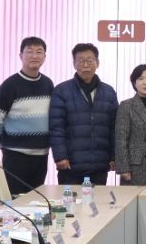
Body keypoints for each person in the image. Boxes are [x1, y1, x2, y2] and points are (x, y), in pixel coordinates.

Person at [0, 37, 54, 195]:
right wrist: (2, 142)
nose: (34, 56)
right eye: (29, 52)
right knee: (16, 201)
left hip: (41, 155)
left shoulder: (48, 84)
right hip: (16, 156)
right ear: (20, 56)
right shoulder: (9, 85)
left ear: (44, 57)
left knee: (36, 201)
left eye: (39, 52)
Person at [49, 43, 118, 185]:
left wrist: (114, 156)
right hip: (70, 165)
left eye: (90, 60)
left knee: (97, 200)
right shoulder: (61, 91)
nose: (86, 65)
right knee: (69, 200)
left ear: (97, 63)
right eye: (80, 61)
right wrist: (60, 156)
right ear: (74, 64)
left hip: (100, 165)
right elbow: (56, 127)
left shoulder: (108, 92)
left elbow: (114, 128)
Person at [115, 64, 146, 186]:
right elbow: (121, 139)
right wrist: (123, 168)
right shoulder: (126, 106)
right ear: (134, 83)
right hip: (134, 166)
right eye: (141, 79)